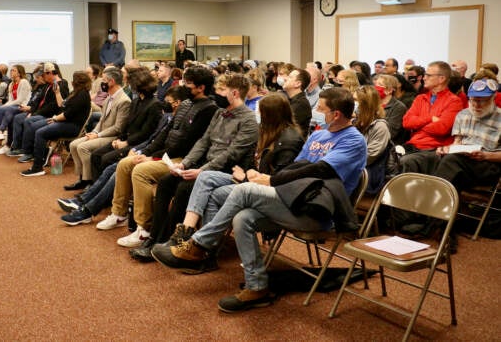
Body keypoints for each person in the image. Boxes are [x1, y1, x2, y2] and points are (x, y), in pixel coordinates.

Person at [151, 87, 366, 312]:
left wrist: (270, 180)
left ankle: (199, 244)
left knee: (244, 191)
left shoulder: (353, 140)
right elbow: (298, 167)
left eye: (321, 109)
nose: (317, 112)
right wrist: (267, 179)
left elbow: (320, 169)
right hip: (292, 197)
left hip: (316, 209)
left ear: (337, 114)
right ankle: (257, 286)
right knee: (243, 217)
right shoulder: (320, 134)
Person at [158, 93, 305, 270]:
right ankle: (188, 236)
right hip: (248, 179)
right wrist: (245, 172)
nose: (257, 116)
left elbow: (279, 179)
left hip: (265, 190)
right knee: (206, 177)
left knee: (211, 192)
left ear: (271, 115)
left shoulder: (289, 139)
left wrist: (246, 175)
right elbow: (253, 162)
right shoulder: (267, 131)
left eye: (261, 112)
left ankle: (203, 250)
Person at [127, 74, 259, 261]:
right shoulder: (219, 113)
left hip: (226, 171)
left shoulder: (248, 121)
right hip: (206, 165)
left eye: (221, 90)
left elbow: (231, 154)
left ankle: (171, 242)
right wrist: (185, 163)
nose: (216, 93)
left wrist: (201, 171)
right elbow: (203, 142)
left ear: (235, 93)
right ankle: (154, 239)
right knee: (166, 182)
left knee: (183, 189)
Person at [91, 67, 217, 242]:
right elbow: (166, 132)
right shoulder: (186, 104)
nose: (183, 86)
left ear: (201, 87)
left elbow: (187, 143)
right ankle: (119, 214)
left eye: (188, 83)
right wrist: (145, 151)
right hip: (166, 154)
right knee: (126, 163)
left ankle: (144, 228)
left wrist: (152, 157)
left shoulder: (209, 109)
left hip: (182, 159)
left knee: (140, 171)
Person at [59, 86, 188, 226]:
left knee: (117, 169)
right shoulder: (167, 117)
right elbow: (153, 139)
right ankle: (84, 201)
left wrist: (145, 154)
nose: (165, 103)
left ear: (178, 103)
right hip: (148, 151)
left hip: (165, 158)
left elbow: (168, 146)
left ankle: (88, 210)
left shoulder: (180, 119)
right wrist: (141, 151)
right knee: (112, 167)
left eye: (168, 101)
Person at [89, 68, 163, 180]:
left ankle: (104, 194)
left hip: (137, 143)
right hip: (126, 139)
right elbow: (126, 125)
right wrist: (119, 139)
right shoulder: (136, 101)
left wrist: (126, 142)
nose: (130, 86)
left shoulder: (154, 105)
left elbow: (146, 132)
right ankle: (94, 187)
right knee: (96, 155)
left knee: (106, 158)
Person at [65, 67, 131, 189]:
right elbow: (101, 120)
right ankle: (82, 178)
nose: (102, 83)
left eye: (104, 80)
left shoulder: (124, 101)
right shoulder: (108, 98)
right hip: (101, 133)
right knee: (73, 145)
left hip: (112, 136)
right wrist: (94, 131)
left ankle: (89, 180)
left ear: (111, 81)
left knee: (83, 147)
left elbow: (118, 128)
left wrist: (98, 135)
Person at [20, 71, 92, 177]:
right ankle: (42, 157)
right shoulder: (76, 93)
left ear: (76, 82)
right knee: (39, 129)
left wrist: (55, 119)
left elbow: (67, 114)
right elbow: (62, 105)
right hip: (66, 123)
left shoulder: (82, 95)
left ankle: (37, 167)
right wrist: (57, 93)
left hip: (73, 127)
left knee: (40, 133)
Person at [400, 61, 464, 172]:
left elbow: (441, 129)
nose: (424, 78)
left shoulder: (454, 101)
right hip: (414, 145)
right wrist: (430, 119)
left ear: (441, 79)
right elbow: (406, 122)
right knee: (387, 157)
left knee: (405, 161)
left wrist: (418, 125)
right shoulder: (421, 98)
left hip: (434, 149)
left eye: (428, 75)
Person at [7, 63, 69, 159]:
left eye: (44, 75)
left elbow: (54, 107)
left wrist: (33, 114)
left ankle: (28, 151)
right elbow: (37, 101)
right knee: (18, 118)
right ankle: (17, 146)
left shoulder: (62, 84)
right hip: (40, 112)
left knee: (28, 121)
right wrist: (31, 111)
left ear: (51, 73)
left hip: (51, 115)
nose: (43, 78)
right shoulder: (47, 85)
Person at [354, 85, 391, 194]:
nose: (353, 103)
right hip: (354, 167)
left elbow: (369, 156)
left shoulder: (380, 127)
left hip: (368, 174)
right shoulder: (355, 122)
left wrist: (345, 161)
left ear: (366, 104)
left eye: (356, 100)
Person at [373, 74, 408, 145]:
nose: (376, 87)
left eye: (380, 85)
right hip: (371, 139)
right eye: (376, 84)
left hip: (387, 144)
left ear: (390, 90)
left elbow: (391, 132)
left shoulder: (399, 107)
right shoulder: (372, 103)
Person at [280, 67, 312, 134]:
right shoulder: (289, 99)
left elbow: (282, 125)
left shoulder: (301, 104)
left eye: (290, 77)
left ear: (298, 84)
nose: (285, 78)